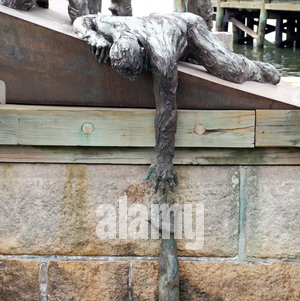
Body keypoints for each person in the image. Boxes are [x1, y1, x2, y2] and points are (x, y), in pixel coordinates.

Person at [74, 12, 280, 194]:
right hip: (161, 27)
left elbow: (167, 106)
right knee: (188, 56)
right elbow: (83, 20)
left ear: (143, 52)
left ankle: (258, 68)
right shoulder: (112, 27)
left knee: (232, 70)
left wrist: (164, 159)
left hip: (189, 28)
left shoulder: (160, 55)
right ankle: (188, 54)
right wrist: (92, 37)